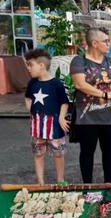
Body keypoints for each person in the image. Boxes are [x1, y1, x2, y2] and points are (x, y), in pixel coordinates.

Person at [70, 28, 111, 183]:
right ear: (94, 43)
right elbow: (80, 84)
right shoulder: (79, 61)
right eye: (106, 41)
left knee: (109, 152)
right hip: (87, 117)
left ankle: (109, 184)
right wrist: (106, 95)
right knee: (87, 152)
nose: (109, 44)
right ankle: (87, 186)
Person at [24, 49, 70, 185]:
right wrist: (31, 110)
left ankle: (60, 179)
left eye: (30, 64)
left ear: (41, 66)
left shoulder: (56, 84)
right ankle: (40, 182)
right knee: (38, 154)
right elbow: (27, 98)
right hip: (37, 127)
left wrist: (61, 117)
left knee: (58, 154)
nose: (28, 68)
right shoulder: (32, 83)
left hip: (54, 127)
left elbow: (64, 102)